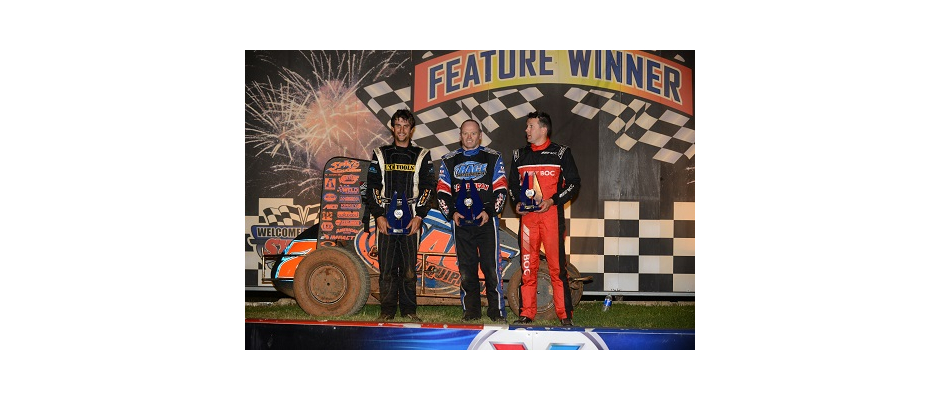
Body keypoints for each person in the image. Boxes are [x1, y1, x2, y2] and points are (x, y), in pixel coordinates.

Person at [507, 111, 581, 326]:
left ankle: (565, 315)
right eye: (527, 127)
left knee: (557, 269)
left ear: (543, 129)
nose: (526, 130)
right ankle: (526, 313)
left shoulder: (561, 153)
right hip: (529, 221)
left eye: (530, 126)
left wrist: (552, 200)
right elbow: (513, 186)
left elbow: (574, 183)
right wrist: (517, 203)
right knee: (528, 267)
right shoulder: (518, 155)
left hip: (551, 219)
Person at [363, 109, 435, 322]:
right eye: (398, 125)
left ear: (411, 130)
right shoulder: (380, 153)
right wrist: (378, 215)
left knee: (409, 269)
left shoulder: (421, 154)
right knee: (386, 268)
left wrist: (419, 216)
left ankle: (409, 311)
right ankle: (387, 311)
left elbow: (428, 187)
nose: (401, 130)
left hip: (411, 218)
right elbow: (373, 186)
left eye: (406, 126)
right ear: (392, 127)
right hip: (385, 217)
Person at [437, 120, 509, 322]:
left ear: (480, 135)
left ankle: (496, 311)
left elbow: (501, 188)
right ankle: (471, 311)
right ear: (460, 135)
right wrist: (452, 213)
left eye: (473, 133)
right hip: (461, 224)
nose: (469, 137)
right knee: (466, 268)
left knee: (491, 267)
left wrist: (490, 212)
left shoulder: (493, 157)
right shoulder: (449, 160)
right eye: (465, 134)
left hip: (486, 222)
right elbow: (442, 191)